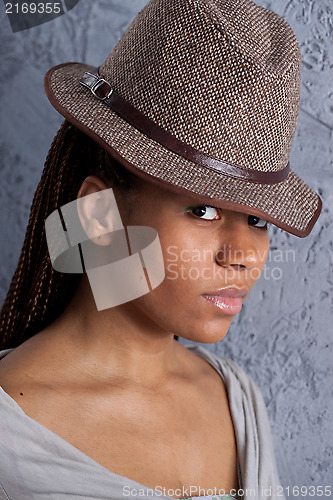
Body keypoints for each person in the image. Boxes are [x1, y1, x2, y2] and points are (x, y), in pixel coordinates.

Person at [0, 0, 322, 499]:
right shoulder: (10, 438)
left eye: (258, 219)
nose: (245, 254)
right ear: (99, 216)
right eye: (203, 210)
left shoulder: (238, 399)